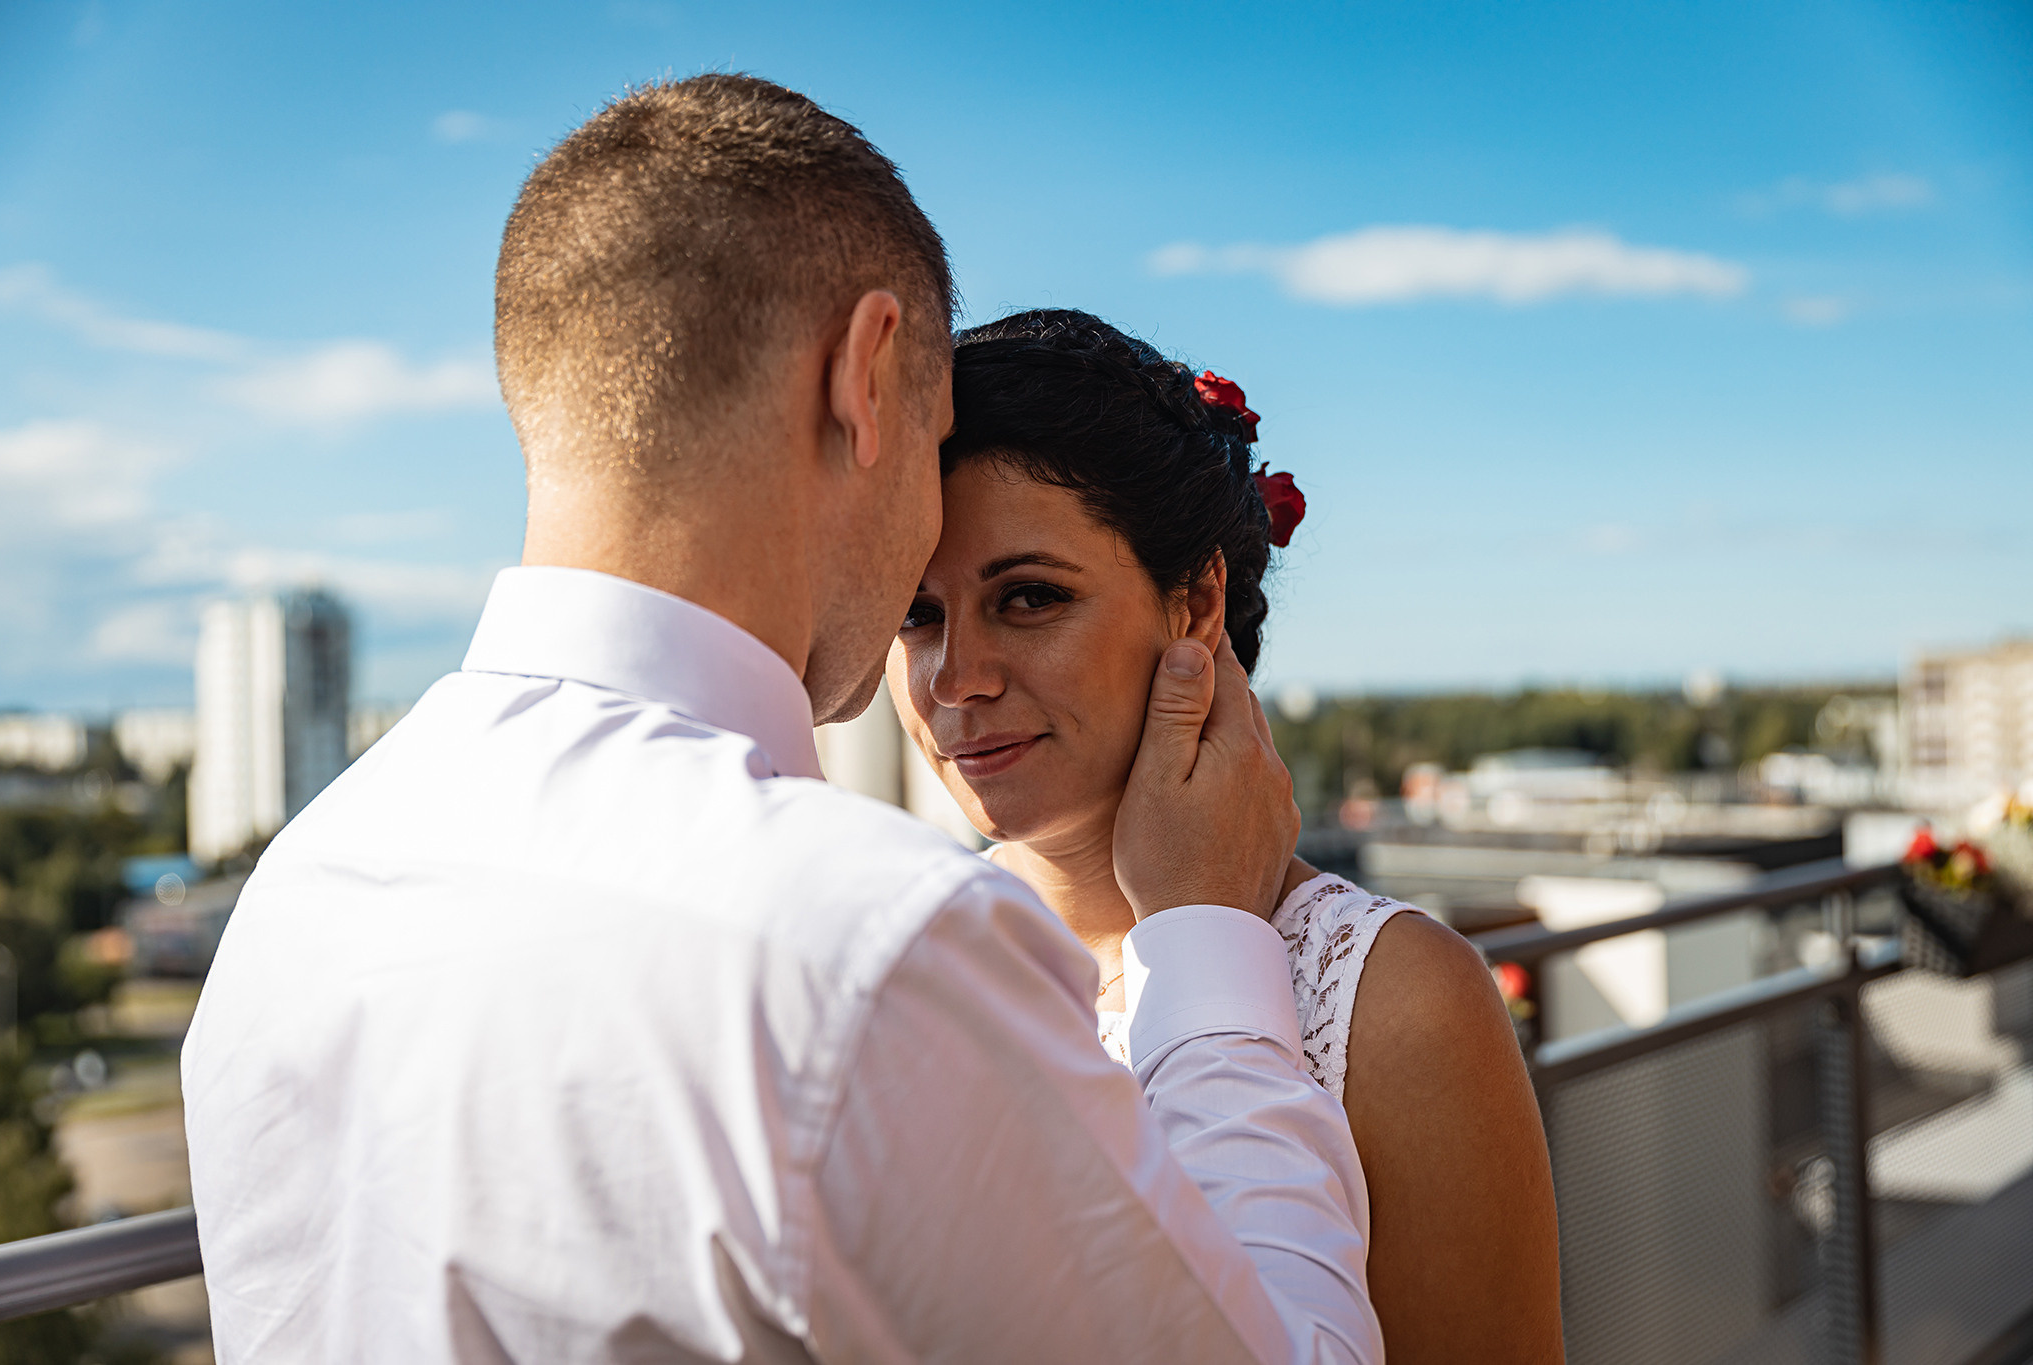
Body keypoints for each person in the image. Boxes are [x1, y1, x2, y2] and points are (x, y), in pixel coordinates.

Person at [183, 76, 1386, 1362]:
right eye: (932, 440)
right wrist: (1204, 943)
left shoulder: (293, 898)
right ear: (866, 375)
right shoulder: (862, 949)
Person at [886, 309, 1564, 1362]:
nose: (953, 678)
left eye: (1027, 597)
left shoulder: (1389, 1003)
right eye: (913, 615)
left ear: (1194, 599)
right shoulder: (894, 954)